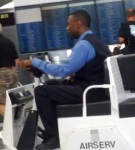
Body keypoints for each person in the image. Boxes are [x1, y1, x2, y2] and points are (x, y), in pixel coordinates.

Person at [19, 10, 111, 150]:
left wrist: (36, 63)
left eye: (69, 24)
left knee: (41, 92)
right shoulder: (95, 41)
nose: (67, 28)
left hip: (89, 92)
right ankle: (54, 131)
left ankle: (56, 138)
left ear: (78, 24)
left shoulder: (84, 45)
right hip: (96, 89)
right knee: (50, 84)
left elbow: (63, 71)